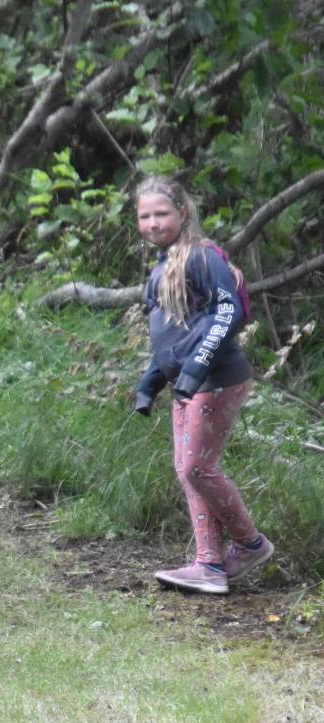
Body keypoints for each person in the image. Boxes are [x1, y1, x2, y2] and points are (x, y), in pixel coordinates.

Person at [133, 176, 274, 595]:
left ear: (182, 213)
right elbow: (170, 338)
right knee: (187, 471)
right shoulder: (162, 267)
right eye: (145, 216)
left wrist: (196, 369)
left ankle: (250, 544)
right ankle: (208, 566)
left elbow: (227, 314)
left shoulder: (203, 257)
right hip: (187, 383)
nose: (154, 223)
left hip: (217, 378)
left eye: (162, 213)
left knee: (197, 467)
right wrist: (151, 382)